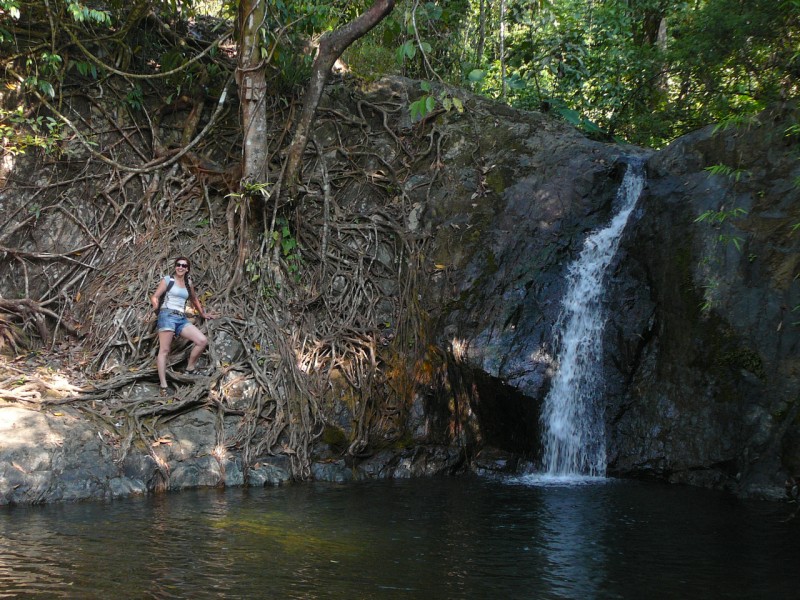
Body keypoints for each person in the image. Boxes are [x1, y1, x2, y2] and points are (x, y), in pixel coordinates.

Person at [150, 257, 215, 396]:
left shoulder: (188, 283)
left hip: (181, 318)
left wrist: (202, 314)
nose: (181, 267)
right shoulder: (168, 280)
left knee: (202, 340)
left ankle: (190, 368)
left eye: (184, 266)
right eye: (178, 265)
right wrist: (158, 310)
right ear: (175, 267)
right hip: (167, 315)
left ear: (187, 269)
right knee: (164, 350)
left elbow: (194, 299)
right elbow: (154, 297)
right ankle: (163, 386)